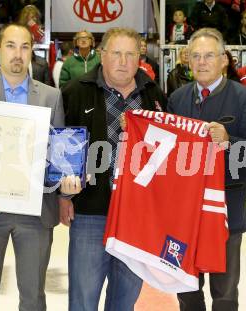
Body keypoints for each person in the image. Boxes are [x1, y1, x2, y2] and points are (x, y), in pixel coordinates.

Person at [0, 24, 79, 311]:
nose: (17, 54)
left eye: (24, 47)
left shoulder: (50, 96)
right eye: (10, 46)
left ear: (31, 51)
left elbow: (58, 157)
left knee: (33, 298)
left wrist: (65, 191)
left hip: (34, 214)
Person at [61, 27, 167, 311]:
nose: (123, 61)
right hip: (90, 215)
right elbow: (61, 150)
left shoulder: (154, 96)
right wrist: (63, 197)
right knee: (83, 301)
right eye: (116, 53)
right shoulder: (74, 92)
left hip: (137, 218)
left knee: (124, 302)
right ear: (103, 55)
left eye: (130, 54)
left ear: (140, 57)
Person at [167, 28, 246, 311]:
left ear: (224, 59)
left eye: (209, 55)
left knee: (224, 294)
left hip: (226, 214)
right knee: (186, 290)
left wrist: (229, 141)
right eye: (195, 56)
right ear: (187, 60)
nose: (201, 62)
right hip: (184, 216)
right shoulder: (177, 99)